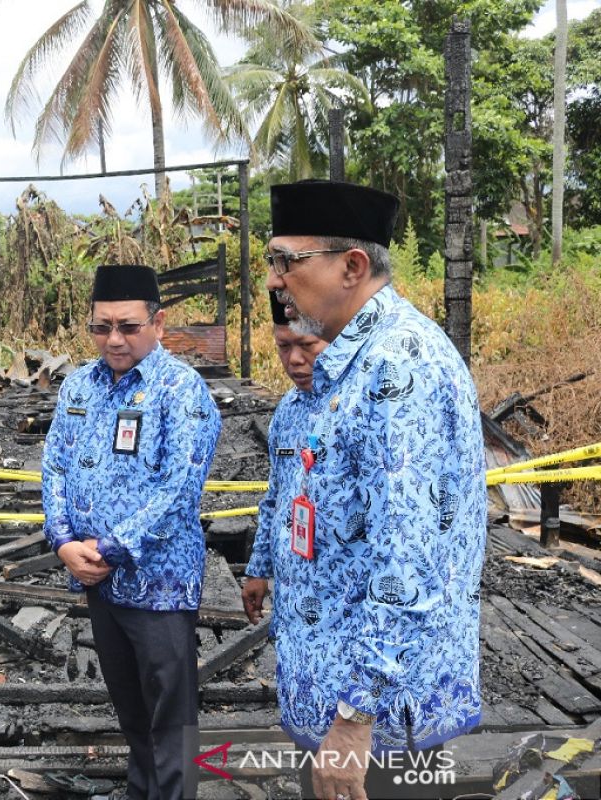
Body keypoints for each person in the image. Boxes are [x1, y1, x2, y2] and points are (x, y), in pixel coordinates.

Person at [246, 180, 487, 800]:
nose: (274, 280)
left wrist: (355, 722)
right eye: (272, 261)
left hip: (377, 719)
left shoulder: (399, 367)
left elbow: (410, 562)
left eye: (287, 261)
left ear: (353, 266)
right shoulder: (342, 370)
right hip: (329, 689)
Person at [42, 264, 222, 800]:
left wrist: (109, 547)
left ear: (159, 323)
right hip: (99, 580)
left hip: (159, 584)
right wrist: (63, 540)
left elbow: (180, 488)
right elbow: (53, 463)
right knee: (130, 708)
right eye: (101, 327)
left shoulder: (181, 391)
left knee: (171, 716)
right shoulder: (79, 385)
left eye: (128, 326)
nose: (114, 340)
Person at [243, 291, 328, 623]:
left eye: (306, 345)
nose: (294, 359)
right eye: (283, 347)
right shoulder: (287, 410)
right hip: (291, 592)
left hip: (336, 598)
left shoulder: (352, 407)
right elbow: (276, 495)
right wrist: (258, 569)